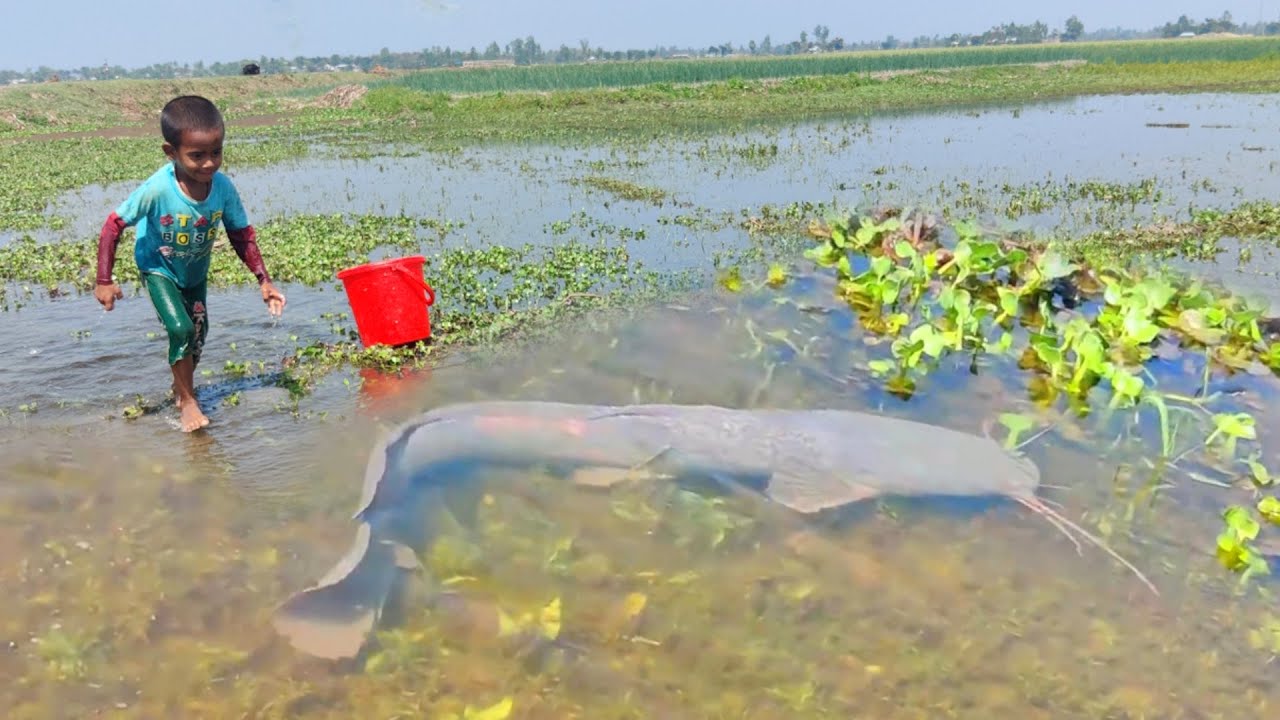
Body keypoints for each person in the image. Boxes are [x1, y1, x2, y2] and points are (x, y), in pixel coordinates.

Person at [94, 95, 286, 432]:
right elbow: (113, 225)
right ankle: (187, 400)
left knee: (198, 333)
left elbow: (241, 234)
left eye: (216, 152)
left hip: (194, 271)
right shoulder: (157, 189)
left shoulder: (223, 189)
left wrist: (263, 280)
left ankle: (180, 386)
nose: (209, 163)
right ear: (171, 152)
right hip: (159, 269)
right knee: (180, 329)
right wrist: (104, 279)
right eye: (197, 156)